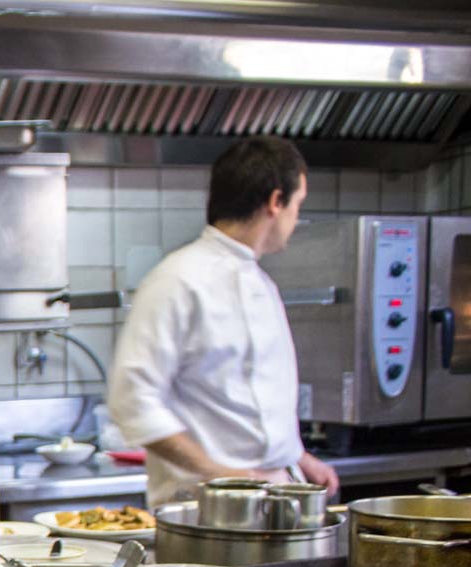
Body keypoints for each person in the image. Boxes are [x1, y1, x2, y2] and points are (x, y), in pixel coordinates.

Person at [107, 135, 340, 507]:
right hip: (205, 509)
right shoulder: (177, 280)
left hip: (274, 498)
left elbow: (251, 400)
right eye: (298, 204)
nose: (296, 219)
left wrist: (298, 457)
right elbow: (132, 400)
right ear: (276, 202)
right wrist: (221, 474)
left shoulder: (261, 284)